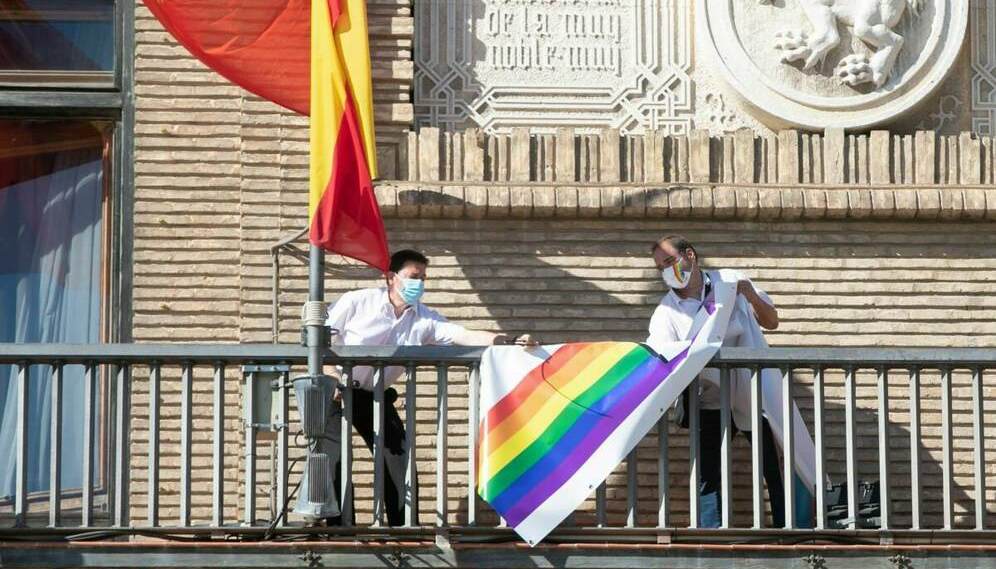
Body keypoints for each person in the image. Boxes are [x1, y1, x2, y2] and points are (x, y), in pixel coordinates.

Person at [306, 249, 536, 527]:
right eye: (414, 276)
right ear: (391, 277)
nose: (420, 284)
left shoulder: (424, 318)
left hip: (376, 395)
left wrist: (508, 340)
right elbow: (319, 336)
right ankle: (339, 530)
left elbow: (462, 335)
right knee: (334, 460)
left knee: (398, 459)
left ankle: (402, 529)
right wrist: (331, 374)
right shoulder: (359, 301)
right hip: (337, 392)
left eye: (424, 278)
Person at [646, 234, 811, 528]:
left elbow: (771, 321)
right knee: (709, 473)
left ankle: (788, 530)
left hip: (754, 392)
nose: (667, 270)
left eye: (671, 261)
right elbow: (660, 356)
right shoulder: (665, 312)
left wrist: (748, 292)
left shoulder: (730, 282)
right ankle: (711, 535)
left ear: (690, 255)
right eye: (661, 267)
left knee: (774, 466)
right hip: (708, 398)